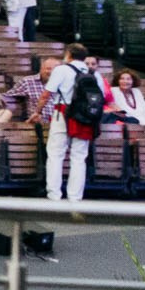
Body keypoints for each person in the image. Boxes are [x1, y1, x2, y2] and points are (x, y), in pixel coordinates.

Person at [42, 42, 100, 202]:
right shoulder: (93, 73)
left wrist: (37, 111)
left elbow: (47, 93)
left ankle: (54, 195)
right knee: (79, 157)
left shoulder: (61, 69)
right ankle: (75, 197)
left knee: (56, 154)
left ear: (68, 55)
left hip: (63, 112)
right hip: (85, 117)